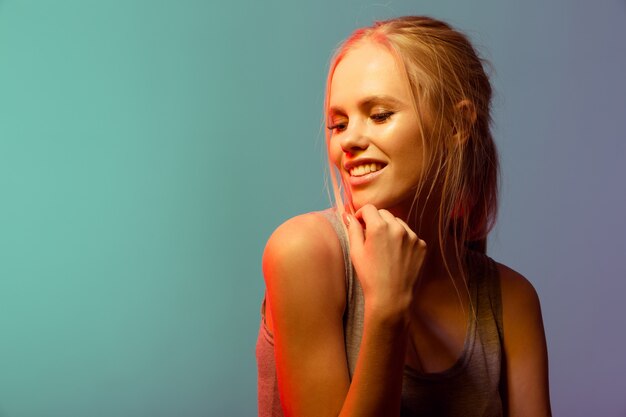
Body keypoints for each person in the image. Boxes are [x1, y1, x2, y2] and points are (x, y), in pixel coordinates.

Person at [256, 15, 551, 417]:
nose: (350, 141)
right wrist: (388, 309)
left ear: (457, 125)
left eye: (379, 115)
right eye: (337, 124)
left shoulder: (512, 301)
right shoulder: (303, 253)